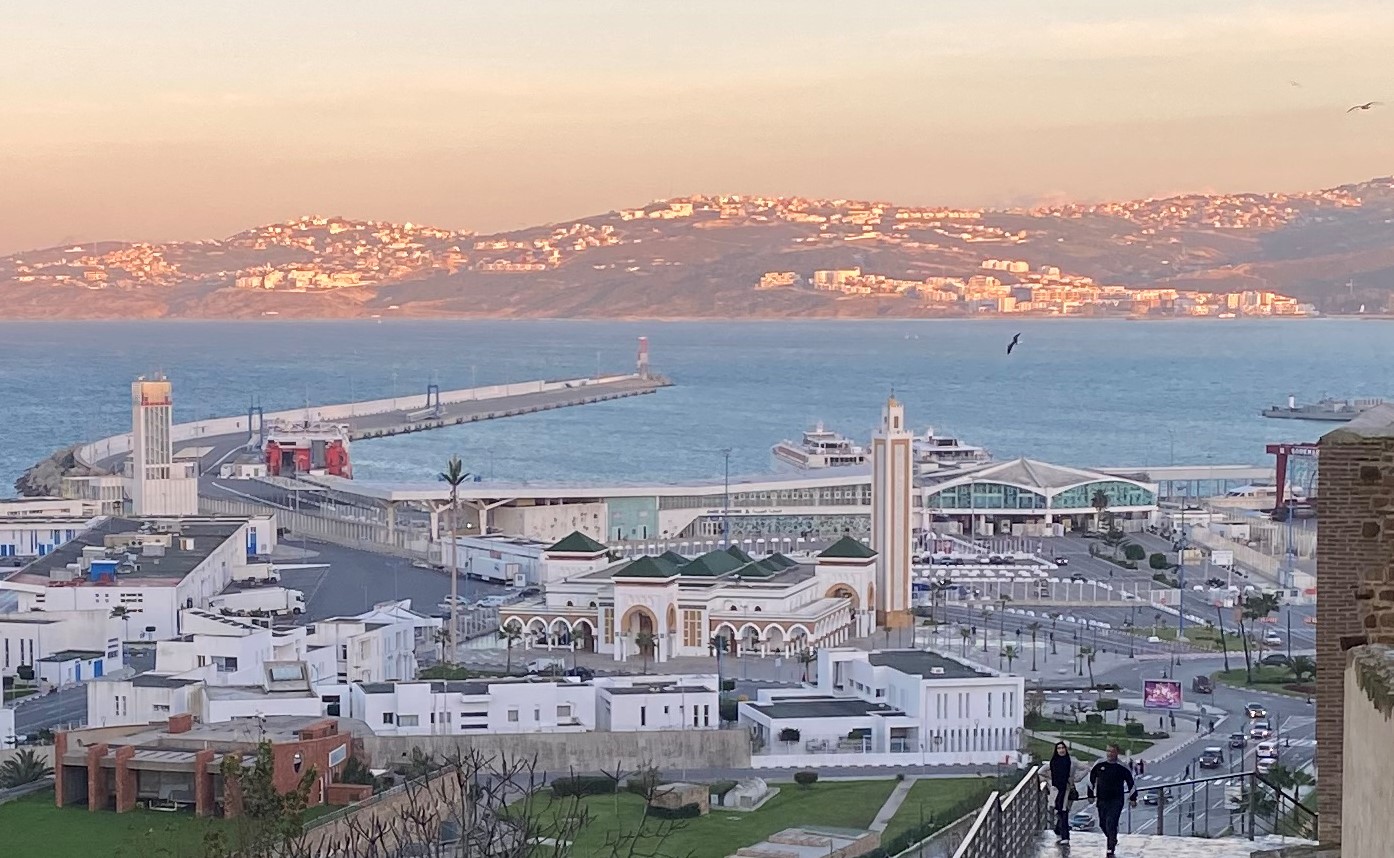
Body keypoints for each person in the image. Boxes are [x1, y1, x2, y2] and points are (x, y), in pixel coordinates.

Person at [1089, 743, 1138, 858]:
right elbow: (1090, 779)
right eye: (1108, 751)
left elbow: (1131, 783)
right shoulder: (1099, 764)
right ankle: (1112, 838)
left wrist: (1133, 798)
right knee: (1102, 824)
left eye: (1112, 751)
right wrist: (1090, 794)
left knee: (1111, 822)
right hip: (1102, 799)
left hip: (1116, 800)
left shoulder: (1122, 767)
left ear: (1117, 753)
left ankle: (1110, 849)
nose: (1109, 753)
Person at [1049, 741, 1083, 844]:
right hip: (1056, 790)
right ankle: (1059, 831)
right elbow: (1043, 772)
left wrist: (1076, 779)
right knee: (1059, 811)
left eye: (1063, 748)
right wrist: (1049, 781)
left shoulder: (1070, 761)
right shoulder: (1054, 761)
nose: (1061, 750)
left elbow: (1086, 768)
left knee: (1064, 812)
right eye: (1059, 748)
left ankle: (1065, 836)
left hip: (1066, 789)